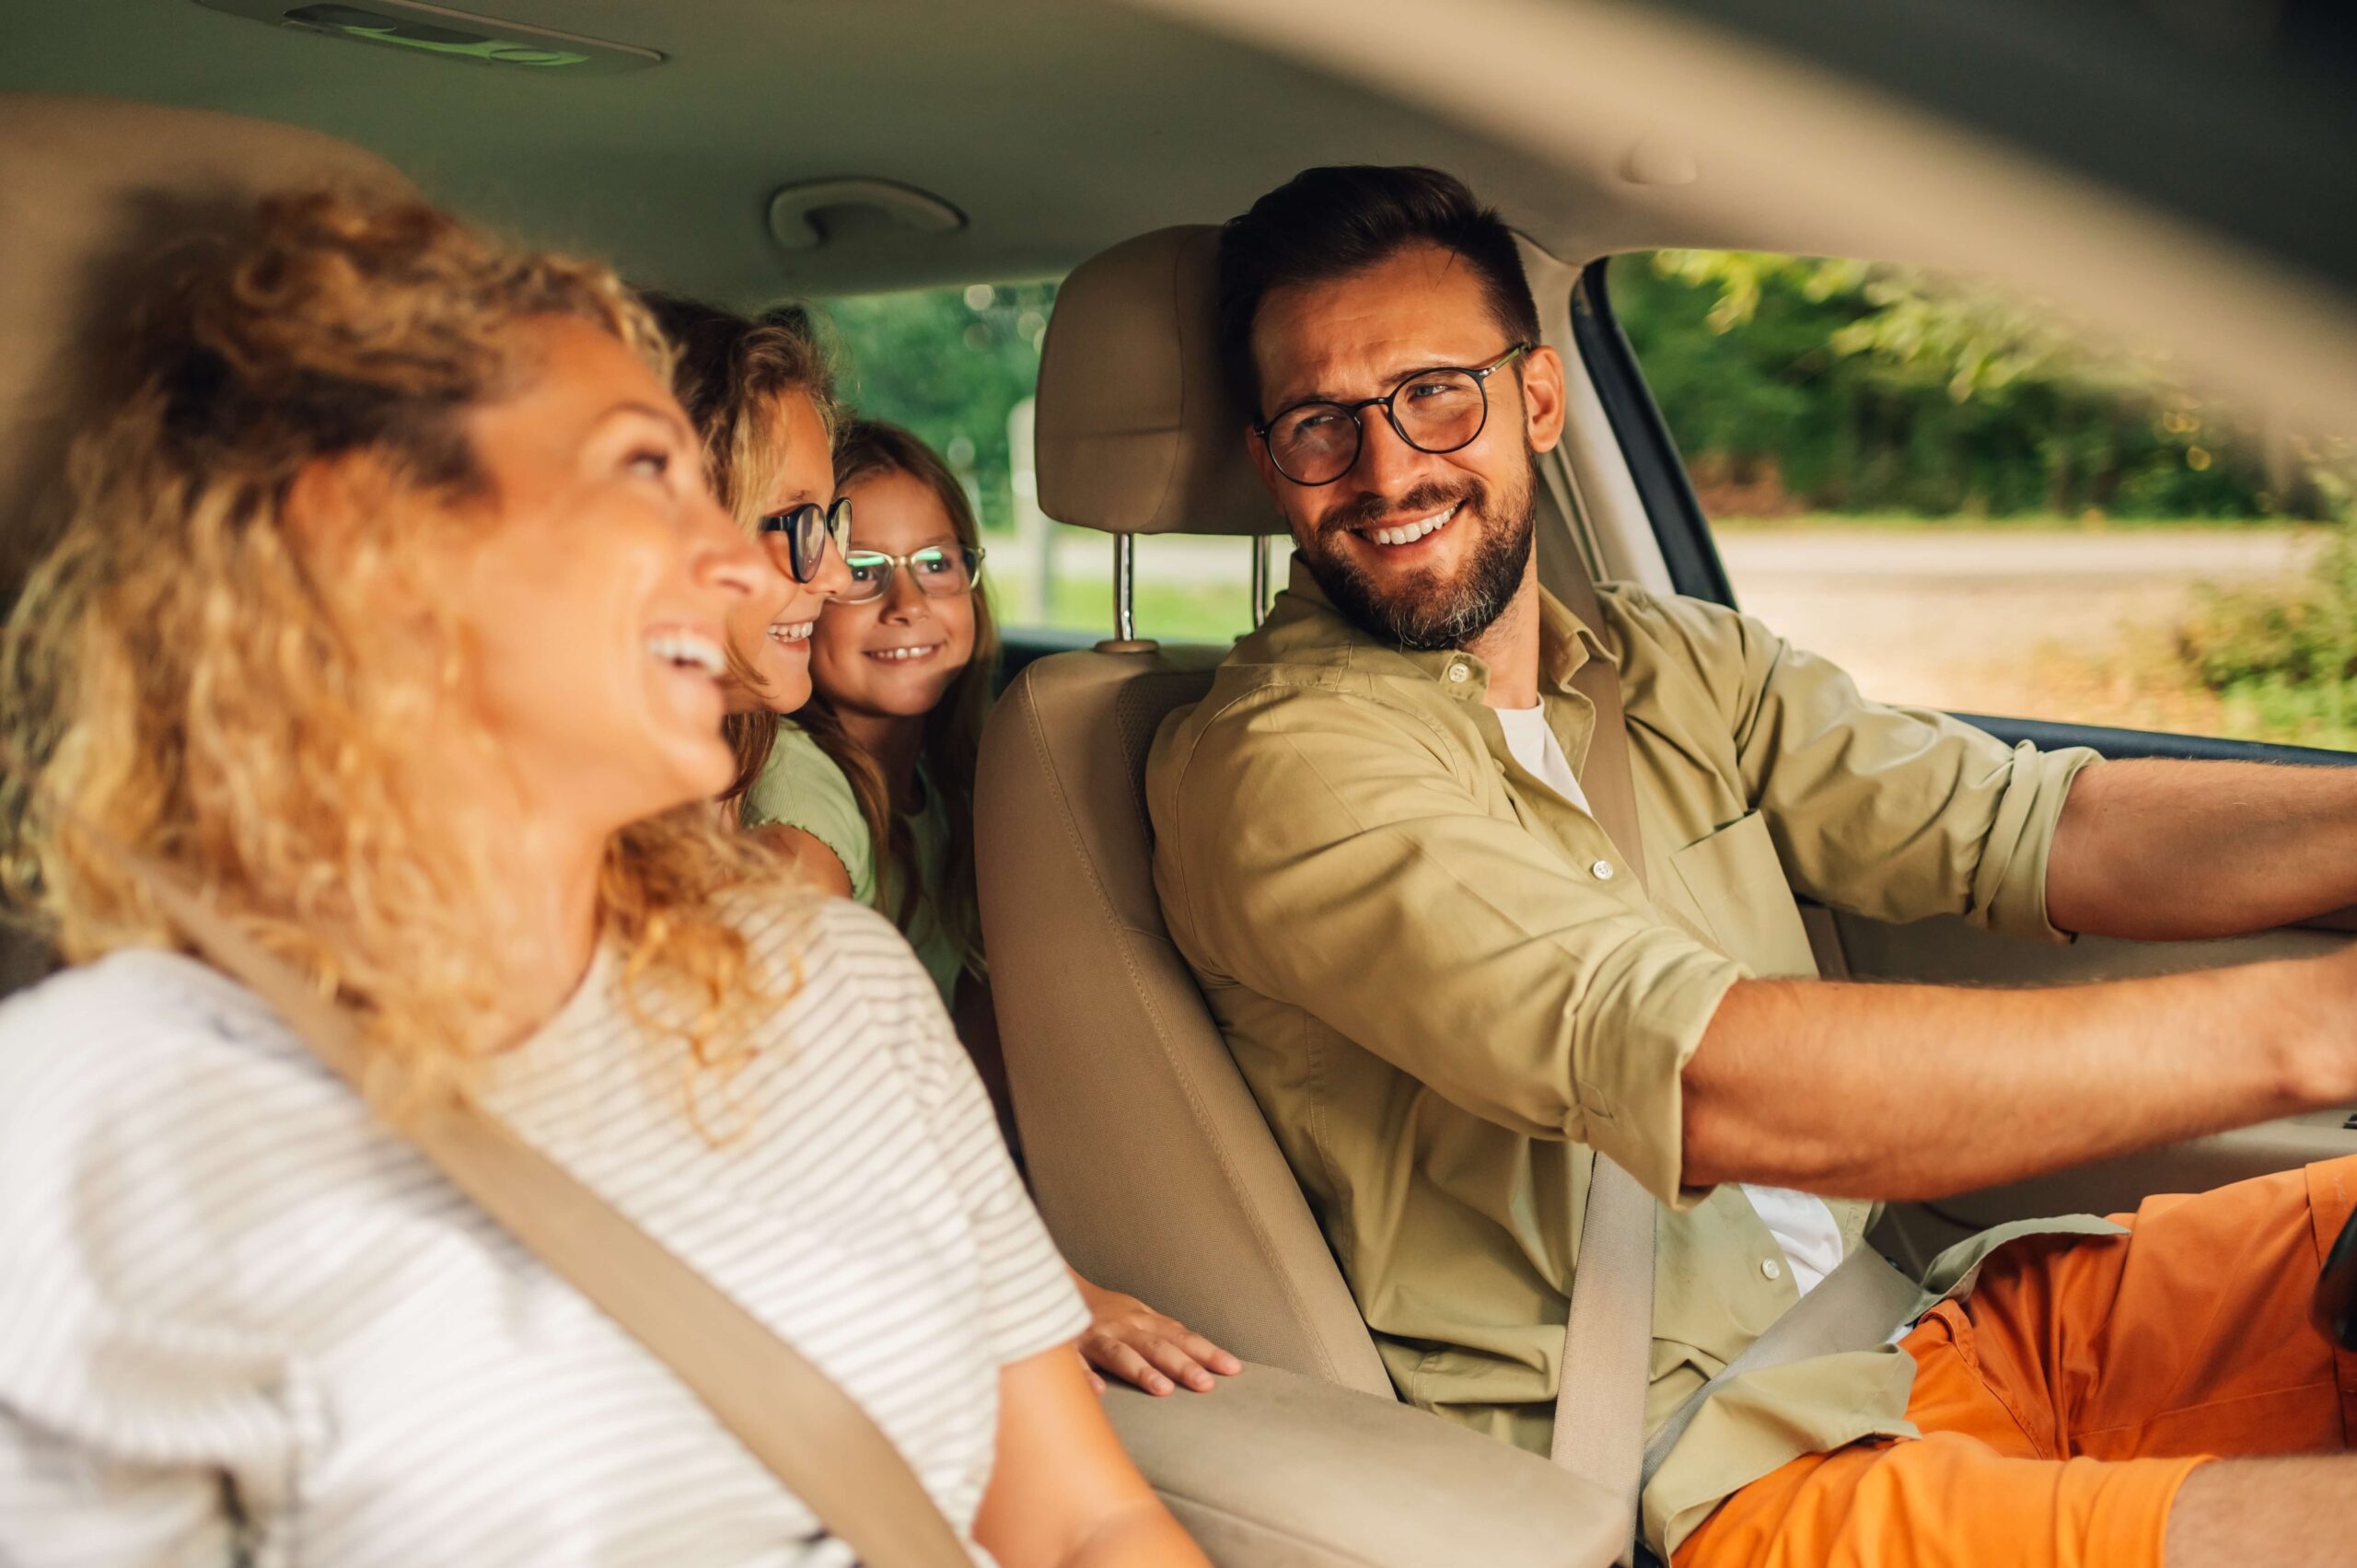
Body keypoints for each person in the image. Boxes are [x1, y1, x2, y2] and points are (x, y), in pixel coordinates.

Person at [1145, 163, 2357, 1568]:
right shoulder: (1280, 765)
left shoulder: (1675, 663)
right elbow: (1705, 1075)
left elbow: (2038, 827)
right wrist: (2309, 1027)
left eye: (1434, 393)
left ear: (1538, 397)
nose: (1388, 468)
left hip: (1926, 1327)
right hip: (1713, 1478)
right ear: (1265, 456)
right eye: (1320, 424)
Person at [0, 189, 1204, 1568]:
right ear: (373, 540)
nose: (740, 564)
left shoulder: (837, 983)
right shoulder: (87, 1130)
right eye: (647, 471)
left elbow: (1083, 1520)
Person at [735, 413, 1242, 1400]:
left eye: (937, 561)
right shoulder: (797, 800)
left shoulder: (959, 785)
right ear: (805, 587)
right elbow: (803, 1100)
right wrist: (1047, 1287)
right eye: (863, 563)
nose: (907, 600)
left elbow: (974, 1061)